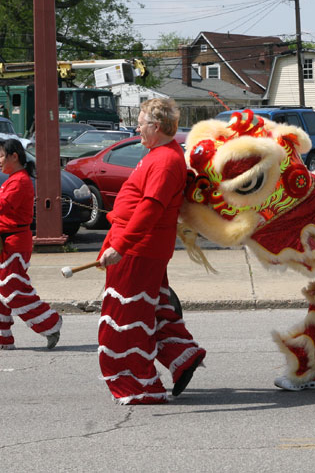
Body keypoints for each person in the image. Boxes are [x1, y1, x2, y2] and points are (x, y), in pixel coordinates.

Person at [97, 98, 206, 405]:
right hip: (139, 246)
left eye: (141, 123)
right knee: (156, 309)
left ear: (156, 128)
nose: (137, 128)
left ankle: (140, 386)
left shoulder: (164, 161)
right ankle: (182, 357)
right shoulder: (160, 155)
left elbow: (150, 208)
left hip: (138, 250)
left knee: (126, 318)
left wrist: (121, 245)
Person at [0, 139, 62, 350]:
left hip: (15, 243)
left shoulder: (20, 181)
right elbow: (1, 207)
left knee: (12, 289)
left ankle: (50, 323)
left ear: (14, 156)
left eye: (0, 156)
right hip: (3, 243)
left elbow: (2, 205)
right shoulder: (12, 179)